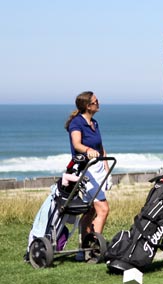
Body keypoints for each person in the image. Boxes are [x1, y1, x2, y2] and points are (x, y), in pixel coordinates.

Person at [64, 91, 111, 261]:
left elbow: (100, 146)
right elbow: (77, 144)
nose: (98, 103)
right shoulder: (77, 124)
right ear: (87, 106)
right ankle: (94, 248)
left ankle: (82, 250)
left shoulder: (94, 123)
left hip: (98, 168)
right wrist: (88, 150)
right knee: (103, 209)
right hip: (85, 169)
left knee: (90, 211)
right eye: (95, 101)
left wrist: (106, 168)